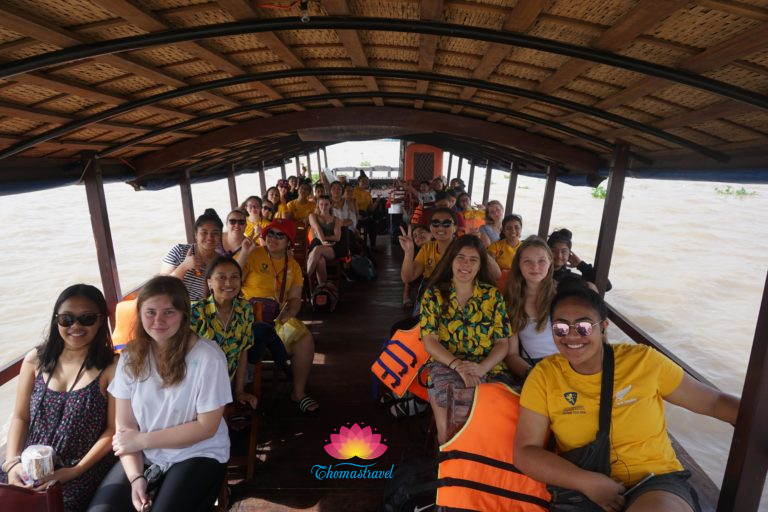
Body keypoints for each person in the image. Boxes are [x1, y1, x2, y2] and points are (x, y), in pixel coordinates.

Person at [515, 282, 740, 512]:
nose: (572, 336)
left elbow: (713, 402)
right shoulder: (544, 376)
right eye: (561, 328)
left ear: (603, 327)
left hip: (654, 481)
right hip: (584, 487)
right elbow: (525, 452)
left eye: (583, 326)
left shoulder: (644, 362)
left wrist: (758, 419)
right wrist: (585, 481)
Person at [88, 276, 231, 512]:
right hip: (144, 453)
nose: (158, 321)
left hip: (197, 451)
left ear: (184, 314)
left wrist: (142, 440)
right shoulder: (130, 358)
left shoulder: (208, 358)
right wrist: (136, 478)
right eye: (150, 312)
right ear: (140, 314)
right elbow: (126, 429)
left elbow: (206, 427)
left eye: (169, 312)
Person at [1, 285, 116, 512]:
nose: (76, 326)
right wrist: (12, 463)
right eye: (66, 319)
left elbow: (112, 430)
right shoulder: (36, 359)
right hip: (28, 462)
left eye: (87, 318)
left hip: (79, 468)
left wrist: (73, 471)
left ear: (101, 321)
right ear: (56, 321)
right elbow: (21, 417)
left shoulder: (111, 367)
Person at [419, 235, 511, 444]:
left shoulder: (492, 296)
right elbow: (430, 341)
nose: (465, 264)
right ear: (450, 260)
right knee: (449, 430)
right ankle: (448, 467)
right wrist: (458, 366)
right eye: (460, 257)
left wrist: (482, 368)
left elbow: (502, 343)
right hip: (446, 364)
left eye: (473, 260)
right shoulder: (434, 295)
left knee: (498, 424)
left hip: (488, 367)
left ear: (480, 266)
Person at [237, 219, 320, 417]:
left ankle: (298, 393)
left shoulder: (294, 266)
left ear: (289, 242)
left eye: (279, 235)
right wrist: (243, 253)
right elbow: (231, 278)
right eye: (270, 234)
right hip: (247, 316)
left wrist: (288, 314)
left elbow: (294, 299)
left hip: (276, 318)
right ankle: (239, 390)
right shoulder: (253, 255)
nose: (273, 238)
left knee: (305, 339)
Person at [191, 256, 258, 409]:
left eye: (234, 277)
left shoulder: (245, 309)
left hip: (228, 384)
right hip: (198, 387)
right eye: (221, 277)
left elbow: (242, 351)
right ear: (209, 282)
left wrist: (239, 391)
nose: (228, 283)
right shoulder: (196, 311)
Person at [504, 236, 558, 380]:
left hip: (567, 363)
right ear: (519, 265)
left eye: (541, 261)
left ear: (550, 263)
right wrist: (533, 375)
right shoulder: (511, 301)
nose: (535, 267)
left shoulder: (562, 296)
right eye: (527, 261)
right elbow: (511, 355)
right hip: (532, 367)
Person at [160, 208, 223, 301]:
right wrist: (184, 267)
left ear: (220, 236)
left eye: (215, 233)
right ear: (196, 234)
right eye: (204, 232)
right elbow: (161, 288)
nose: (209, 237)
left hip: (205, 310)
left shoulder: (222, 262)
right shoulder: (179, 251)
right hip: (177, 307)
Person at [307, 195, 345, 285]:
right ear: (318, 205)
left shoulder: (336, 220)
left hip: (331, 247)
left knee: (318, 249)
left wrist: (323, 239)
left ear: (330, 205)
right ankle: (323, 287)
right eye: (321, 204)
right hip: (317, 244)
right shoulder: (312, 216)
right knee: (320, 260)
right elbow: (317, 228)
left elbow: (337, 237)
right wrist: (323, 241)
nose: (324, 207)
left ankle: (304, 279)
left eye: (326, 204)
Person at [353, 171, 378, 250]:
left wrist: (377, 201)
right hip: (354, 214)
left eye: (367, 181)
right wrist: (356, 216)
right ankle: (356, 247)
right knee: (356, 226)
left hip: (364, 215)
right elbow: (349, 205)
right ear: (358, 182)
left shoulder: (368, 194)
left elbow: (370, 209)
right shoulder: (353, 192)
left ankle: (373, 246)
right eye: (363, 181)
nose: (365, 183)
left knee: (373, 224)